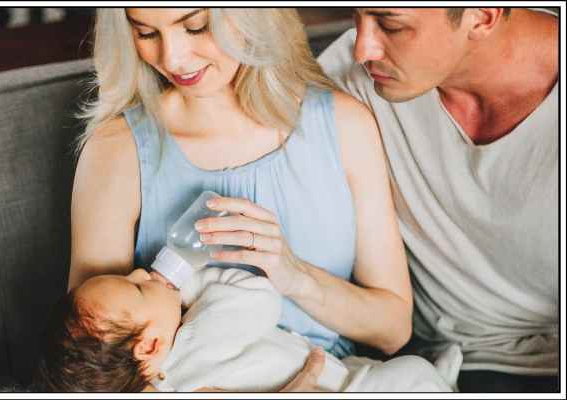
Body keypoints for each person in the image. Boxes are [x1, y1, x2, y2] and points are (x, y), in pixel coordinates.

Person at [69, 6, 413, 365]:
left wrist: (296, 278)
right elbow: (90, 357)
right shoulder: (116, 149)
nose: (173, 57)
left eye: (196, 26)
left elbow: (393, 330)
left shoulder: (345, 126)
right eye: (146, 33)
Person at [317, 7, 558, 392]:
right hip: (409, 364)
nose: (363, 47)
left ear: (481, 16)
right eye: (357, 15)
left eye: (390, 25)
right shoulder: (350, 79)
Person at [35, 267, 458, 392]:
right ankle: (440, 382)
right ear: (151, 345)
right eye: (138, 287)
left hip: (334, 372)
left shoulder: (171, 384)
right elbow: (258, 299)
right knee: (407, 377)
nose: (144, 270)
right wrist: (193, 283)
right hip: (347, 387)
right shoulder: (196, 339)